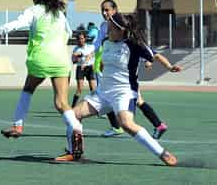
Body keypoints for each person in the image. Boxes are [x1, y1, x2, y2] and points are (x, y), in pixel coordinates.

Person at [0, 0, 83, 161]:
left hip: (41, 58)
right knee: (62, 103)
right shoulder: (60, 13)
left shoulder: (34, 10)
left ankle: (18, 126)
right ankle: (76, 127)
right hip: (61, 60)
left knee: (28, 89)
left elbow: (17, 24)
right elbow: (69, 33)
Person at [72, 12, 178, 166]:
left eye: (111, 28)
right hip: (103, 92)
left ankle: (162, 153)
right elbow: (104, 62)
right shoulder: (105, 42)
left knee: (126, 124)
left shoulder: (134, 45)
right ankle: (75, 152)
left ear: (121, 30)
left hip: (124, 92)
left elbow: (152, 55)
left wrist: (163, 65)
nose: (108, 31)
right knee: (73, 115)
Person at [91, 0, 173, 139]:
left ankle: (119, 127)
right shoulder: (104, 26)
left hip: (123, 76)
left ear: (115, 10)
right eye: (102, 10)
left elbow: (142, 48)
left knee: (117, 99)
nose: (104, 13)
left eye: (107, 10)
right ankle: (157, 125)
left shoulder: (123, 27)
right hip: (109, 68)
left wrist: (160, 64)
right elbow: (100, 45)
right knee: (135, 100)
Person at [71, 31, 96, 107]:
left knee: (93, 89)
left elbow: (91, 55)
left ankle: (97, 107)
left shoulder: (91, 47)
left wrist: (84, 59)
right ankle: (72, 108)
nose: (80, 40)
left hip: (90, 68)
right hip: (80, 69)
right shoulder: (76, 49)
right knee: (79, 89)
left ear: (85, 39)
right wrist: (76, 58)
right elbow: (74, 60)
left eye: (82, 38)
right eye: (78, 39)